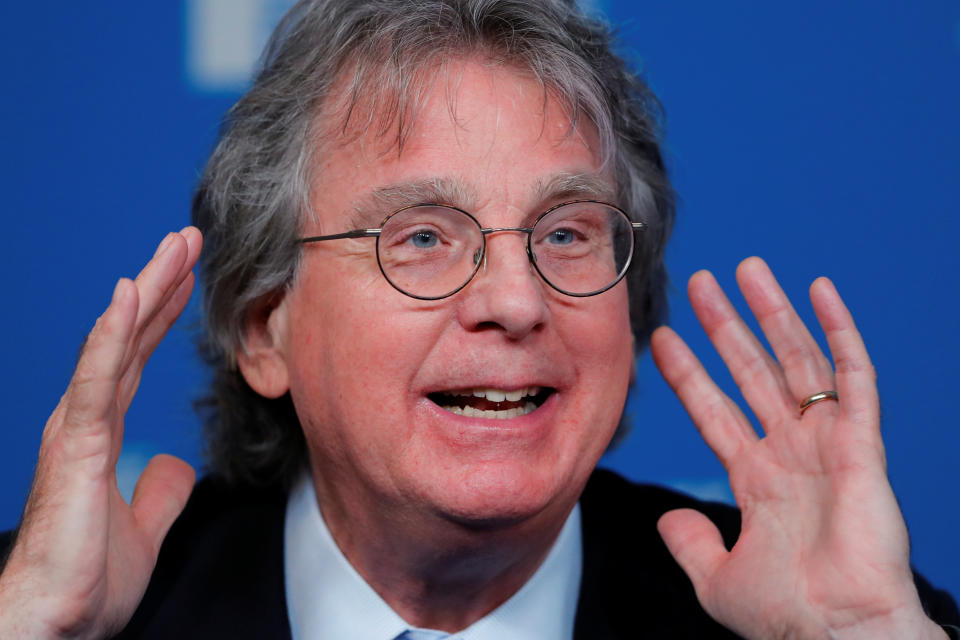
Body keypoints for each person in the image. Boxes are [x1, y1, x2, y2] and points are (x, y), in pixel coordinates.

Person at [0, 0, 956, 638]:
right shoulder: (76, 610)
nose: (515, 301)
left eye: (568, 233)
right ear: (265, 328)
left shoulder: (809, 613)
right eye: (420, 237)